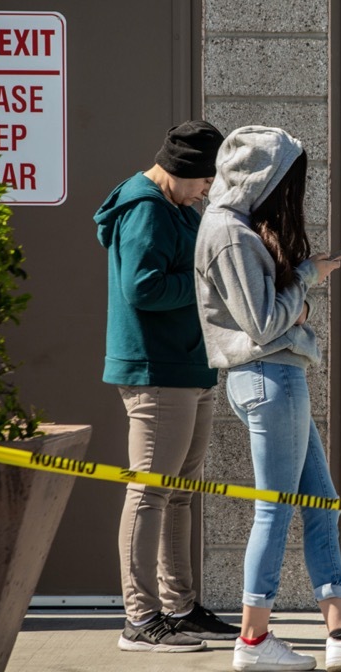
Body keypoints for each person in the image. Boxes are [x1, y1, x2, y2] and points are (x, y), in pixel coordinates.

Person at [194, 126, 341, 672]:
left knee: (320, 503)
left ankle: (340, 633)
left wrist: (301, 283)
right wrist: (310, 278)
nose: (293, 190)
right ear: (263, 176)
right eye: (286, 176)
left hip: (274, 378)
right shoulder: (228, 232)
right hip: (268, 376)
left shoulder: (234, 226)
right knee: (277, 509)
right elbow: (265, 323)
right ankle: (253, 640)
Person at [95, 120, 240, 653]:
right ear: (180, 171)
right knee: (150, 492)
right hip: (157, 373)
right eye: (205, 180)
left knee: (180, 494)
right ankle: (140, 618)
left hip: (188, 369)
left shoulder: (177, 205)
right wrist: (207, 281)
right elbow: (142, 288)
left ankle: (179, 608)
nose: (209, 190)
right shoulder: (145, 209)